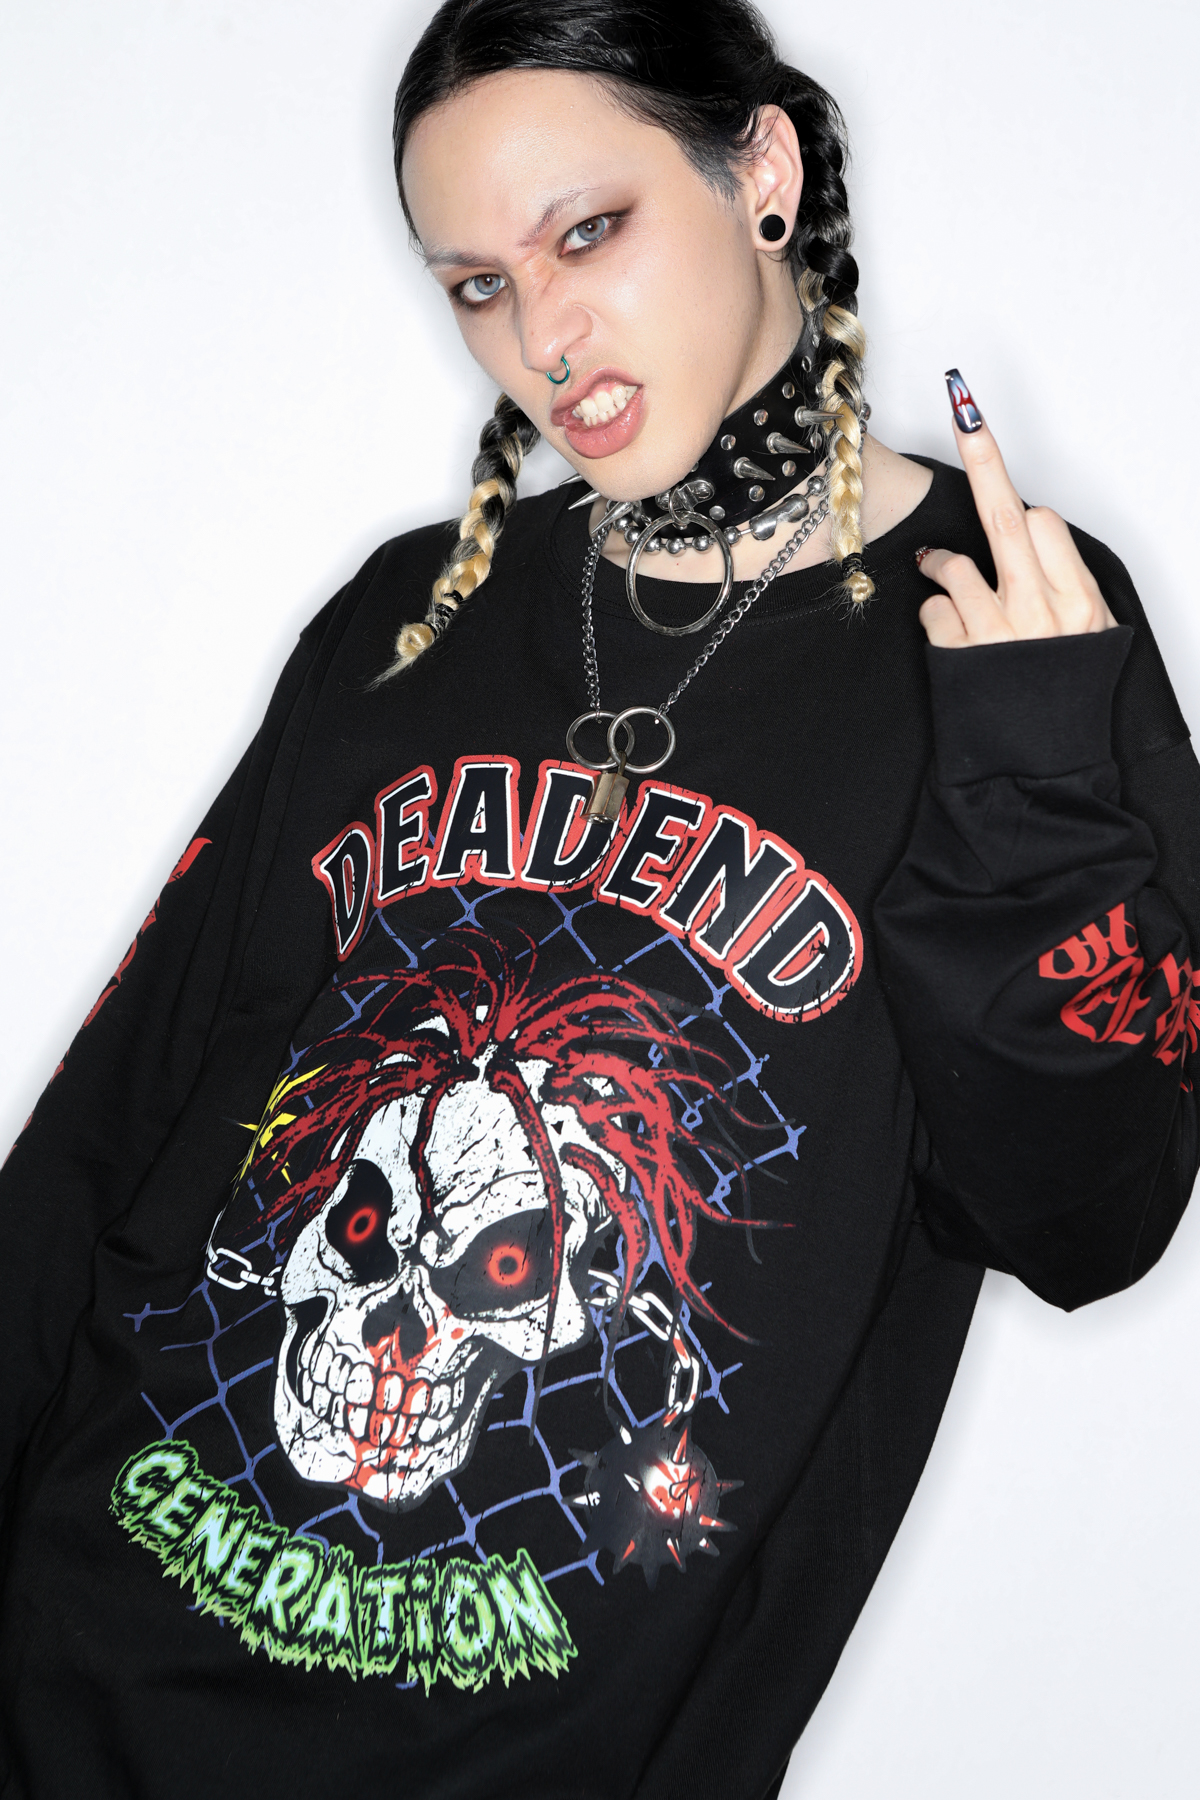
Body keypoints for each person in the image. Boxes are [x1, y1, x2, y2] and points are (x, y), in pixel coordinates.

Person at [1, 1, 1196, 1795]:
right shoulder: (406, 618)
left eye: (589, 232)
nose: (541, 337)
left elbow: (1085, 1220)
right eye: (479, 284)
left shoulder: (1005, 619)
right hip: (80, 1679)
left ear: (761, 169)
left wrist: (1036, 773)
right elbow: (120, 1122)